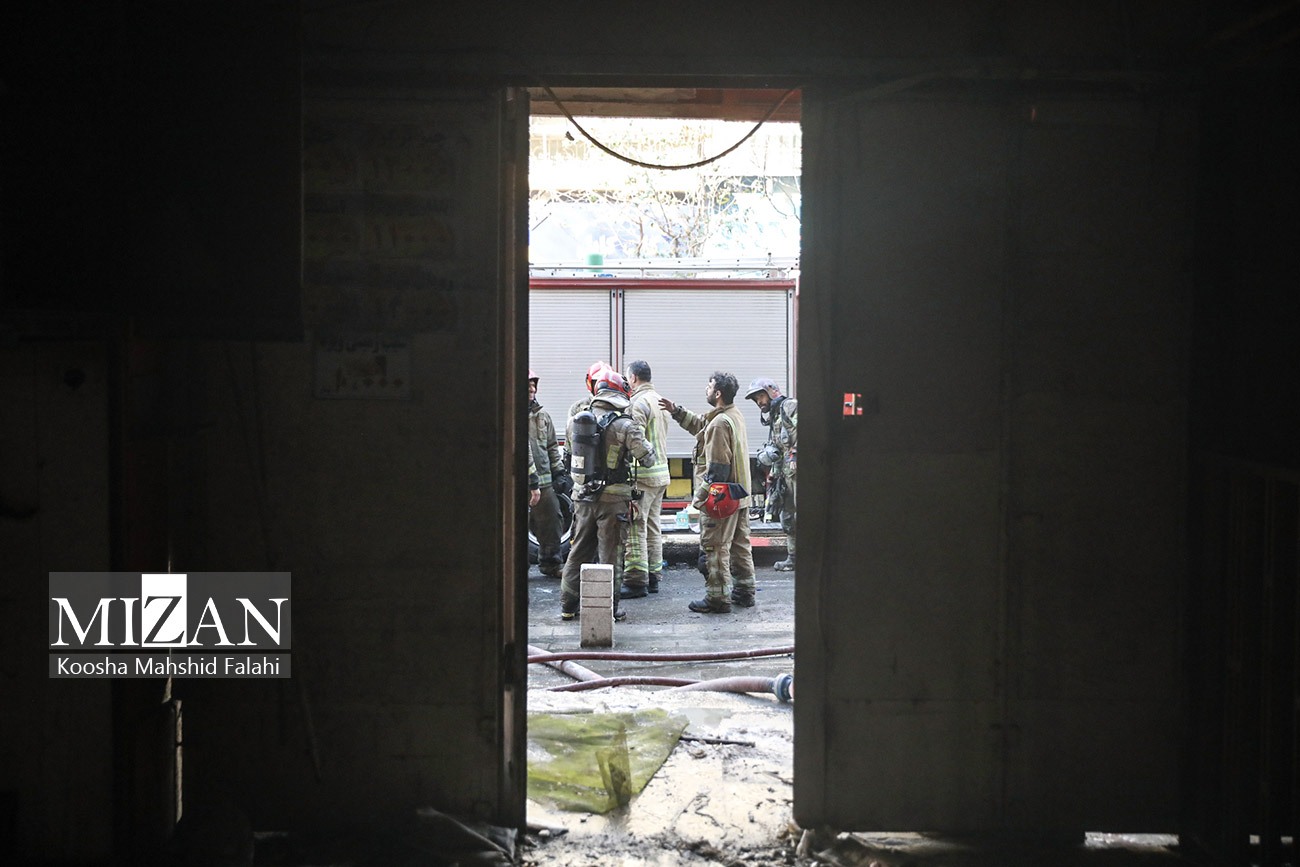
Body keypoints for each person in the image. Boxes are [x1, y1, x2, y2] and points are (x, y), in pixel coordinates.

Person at [559, 370, 657, 622]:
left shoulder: (575, 422)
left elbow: (569, 458)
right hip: (613, 502)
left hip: (582, 498)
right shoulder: (625, 425)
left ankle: (568, 606)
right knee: (610, 555)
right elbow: (648, 458)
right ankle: (609, 609)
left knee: (578, 551)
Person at [659, 371, 756, 613]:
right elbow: (700, 425)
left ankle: (717, 599)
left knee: (715, 547)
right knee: (740, 546)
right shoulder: (732, 415)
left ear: (718, 393)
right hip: (739, 498)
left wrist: (699, 499)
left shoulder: (720, 424)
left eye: (709, 386)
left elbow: (717, 470)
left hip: (722, 499)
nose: (706, 389)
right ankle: (744, 592)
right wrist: (676, 411)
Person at [618, 360, 671, 599]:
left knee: (635, 526)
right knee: (653, 526)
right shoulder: (659, 401)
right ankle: (654, 577)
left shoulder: (637, 403)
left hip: (642, 477)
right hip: (660, 475)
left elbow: (635, 441)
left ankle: (636, 580)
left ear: (633, 378)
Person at [745, 377, 797, 571]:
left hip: (800, 474)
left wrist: (795, 455)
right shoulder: (775, 415)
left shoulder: (790, 406)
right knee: (788, 518)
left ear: (771, 391)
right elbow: (779, 449)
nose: (759, 402)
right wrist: (774, 474)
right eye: (756, 399)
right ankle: (793, 558)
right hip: (785, 476)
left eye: (760, 396)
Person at [528, 369, 570, 578]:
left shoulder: (542, 416)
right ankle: (516, 569)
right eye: (528, 386)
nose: (532, 390)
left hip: (543, 482)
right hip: (523, 483)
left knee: (553, 521)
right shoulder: (511, 414)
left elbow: (552, 446)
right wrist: (532, 482)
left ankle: (551, 564)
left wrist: (559, 472)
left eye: (534, 386)